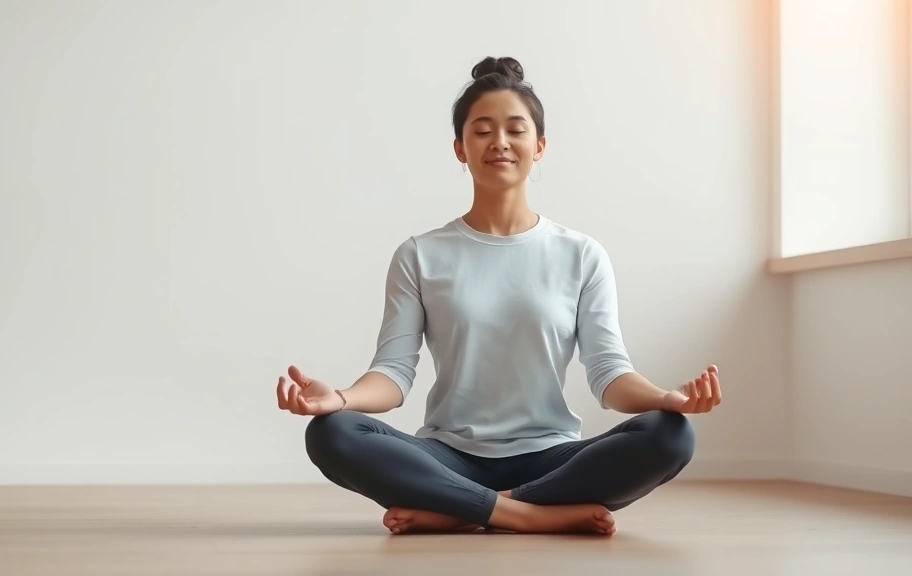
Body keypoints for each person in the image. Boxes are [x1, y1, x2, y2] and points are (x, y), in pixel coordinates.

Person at [275, 56, 722, 536]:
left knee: (669, 435)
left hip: (552, 459)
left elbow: (609, 374)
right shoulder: (420, 254)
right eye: (482, 130)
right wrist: (339, 399)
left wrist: (665, 398)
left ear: (540, 145)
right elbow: (393, 374)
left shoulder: (581, 254)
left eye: (516, 129)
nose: (500, 142)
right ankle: (527, 515)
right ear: (460, 149)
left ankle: (465, 510)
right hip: (448, 457)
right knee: (333, 433)